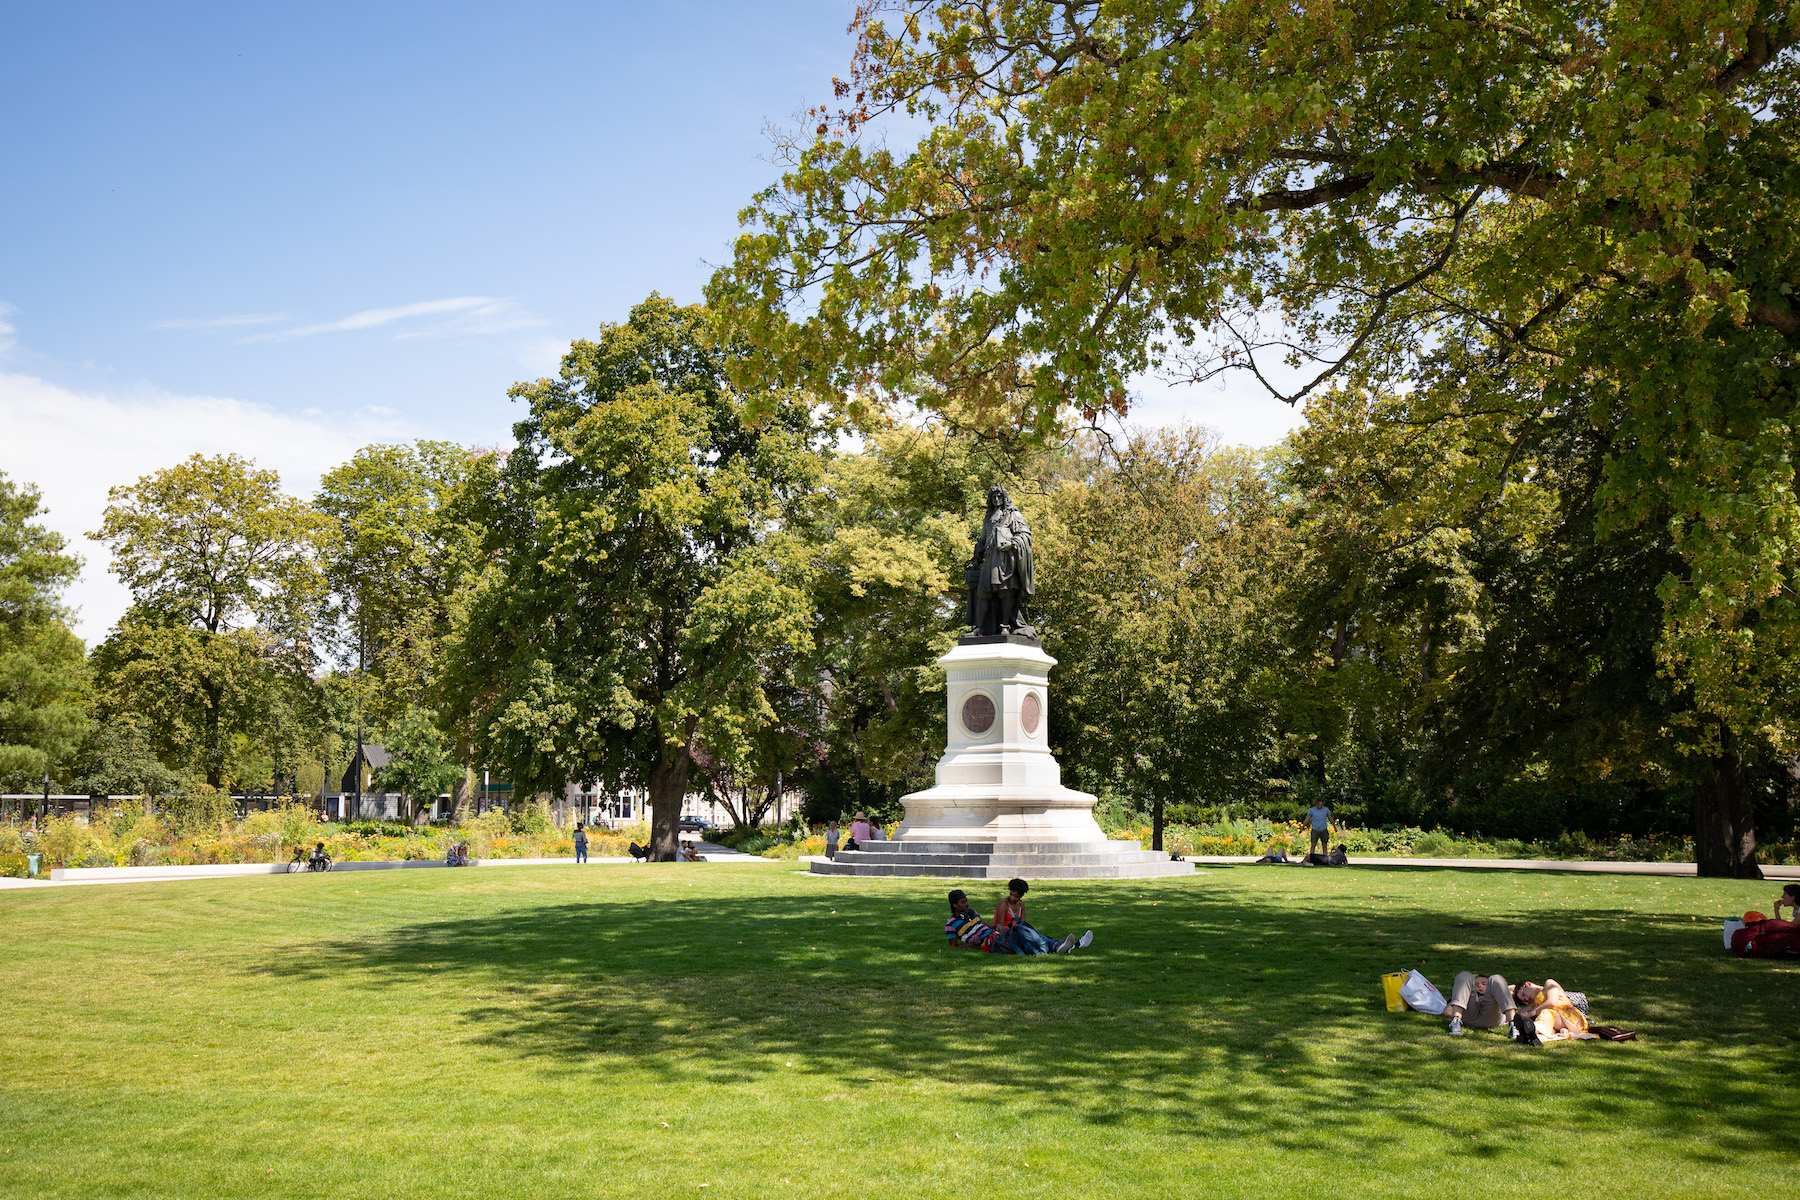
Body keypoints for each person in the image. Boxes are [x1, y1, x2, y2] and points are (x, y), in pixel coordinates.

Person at [993, 877, 1090, 955]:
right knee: (1033, 936)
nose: (1012, 898)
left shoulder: (1021, 904)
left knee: (1033, 934)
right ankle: (1062, 945)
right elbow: (999, 927)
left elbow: (1023, 923)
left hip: (1018, 932)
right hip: (1007, 935)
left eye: (1016, 896)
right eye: (1011, 894)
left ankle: (1068, 945)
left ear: (1021, 896)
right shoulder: (1003, 904)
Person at [1514, 979, 1594, 1043]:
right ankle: (1533, 1037)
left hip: (1569, 1016)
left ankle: (1532, 1032)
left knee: (1546, 1012)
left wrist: (1531, 1014)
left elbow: (1552, 1002)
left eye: (1524, 994)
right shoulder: (1535, 1003)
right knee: (1550, 1029)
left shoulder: (1549, 984)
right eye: (1525, 1000)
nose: (1527, 999)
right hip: (1558, 1021)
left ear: (1528, 984)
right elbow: (1520, 1013)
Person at [1444, 971, 1516, 1036]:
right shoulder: (1468, 995)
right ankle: (1456, 1022)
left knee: (1496, 978)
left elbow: (1513, 988)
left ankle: (1513, 1025)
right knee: (1464, 975)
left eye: (1484, 984)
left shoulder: (1494, 991)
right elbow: (1448, 1012)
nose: (1480, 985)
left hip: (1491, 1018)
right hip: (1470, 1017)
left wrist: (1496, 988)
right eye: (1476, 984)